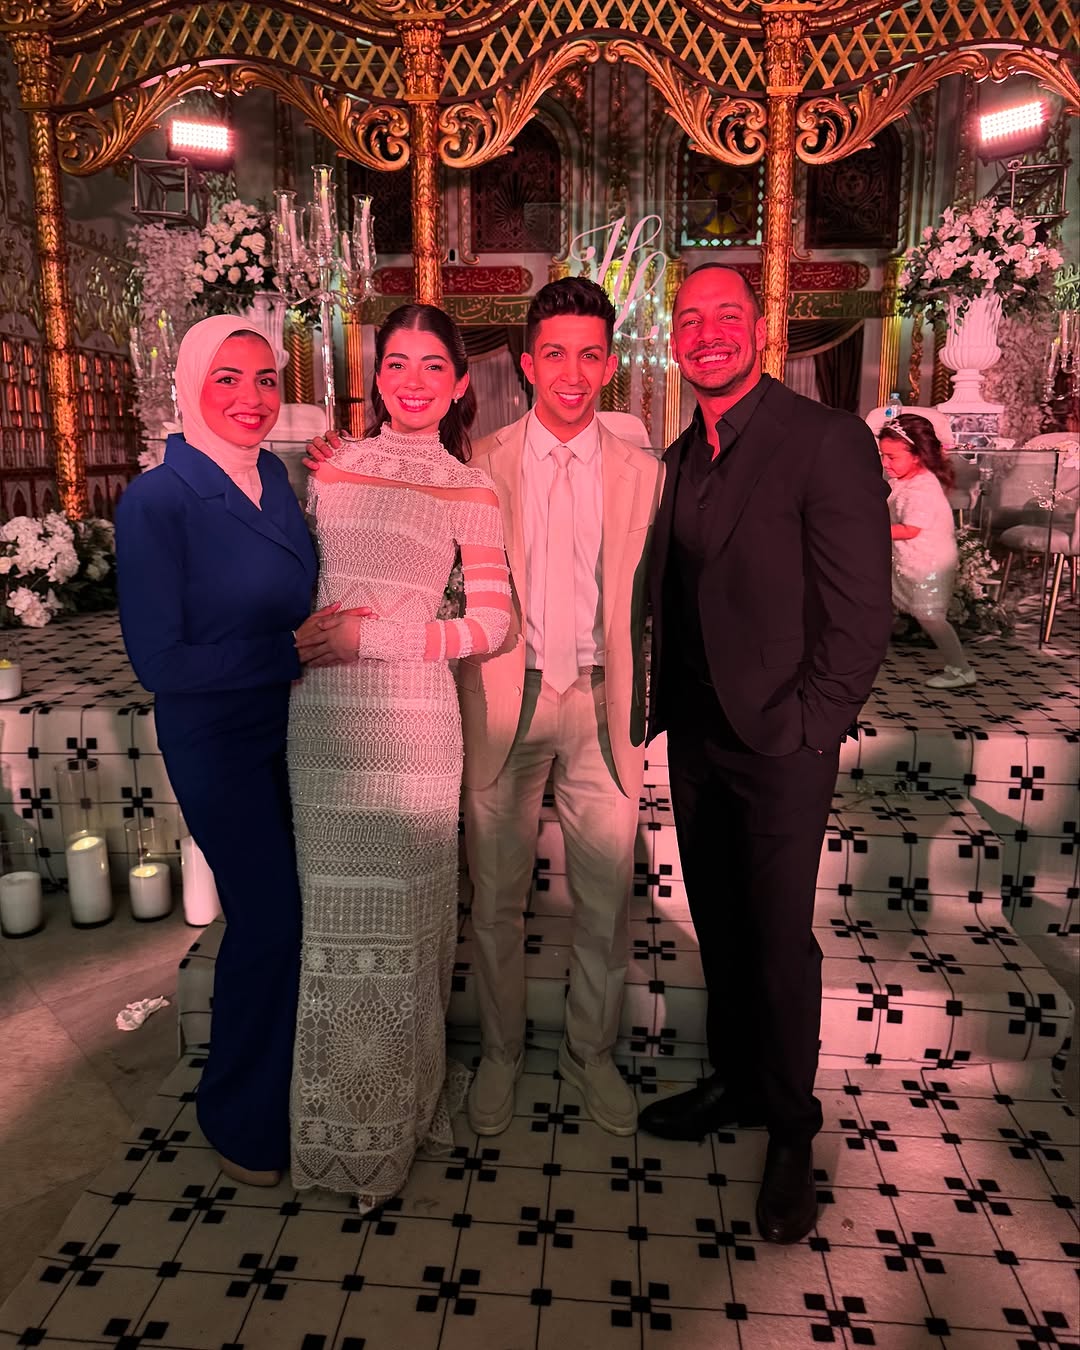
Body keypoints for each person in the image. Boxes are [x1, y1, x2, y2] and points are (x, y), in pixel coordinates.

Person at [639, 263, 893, 1245]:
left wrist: (813, 725)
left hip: (783, 739)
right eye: (689, 319)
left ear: (761, 328)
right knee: (721, 922)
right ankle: (738, 1082)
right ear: (674, 339)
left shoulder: (822, 439)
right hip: (698, 735)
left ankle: (792, 1126)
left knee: (780, 937)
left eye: (726, 315)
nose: (707, 333)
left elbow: (861, 612)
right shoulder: (678, 456)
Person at [288, 304, 511, 1206]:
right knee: (331, 930)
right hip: (322, 723)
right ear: (376, 376)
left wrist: (372, 638)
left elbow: (492, 624)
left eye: (432, 367)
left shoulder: (469, 487)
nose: (412, 382)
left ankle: (392, 1124)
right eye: (396, 364)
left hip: (415, 723)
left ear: (459, 385)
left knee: (406, 937)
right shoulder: (329, 464)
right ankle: (332, 1130)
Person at [116, 315, 318, 1188]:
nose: (250, 397)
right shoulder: (158, 500)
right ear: (189, 384)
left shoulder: (272, 476)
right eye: (227, 378)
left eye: (266, 378)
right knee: (269, 920)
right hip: (219, 738)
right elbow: (160, 663)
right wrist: (290, 652)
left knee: (293, 915)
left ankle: (289, 1087)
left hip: (295, 725)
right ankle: (238, 1115)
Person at [459, 277, 664, 1138]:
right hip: (505, 697)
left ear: (610, 365)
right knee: (495, 899)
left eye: (589, 355)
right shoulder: (482, 463)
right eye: (555, 355)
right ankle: (501, 1053)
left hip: (602, 704)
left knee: (605, 901)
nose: (572, 374)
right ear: (527, 364)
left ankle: (591, 1053)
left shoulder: (644, 472)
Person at [879, 413, 975, 689]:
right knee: (897, 605)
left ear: (917, 455)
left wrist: (867, 529)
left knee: (930, 615)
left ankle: (961, 669)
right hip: (912, 557)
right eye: (883, 455)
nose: (885, 463)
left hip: (929, 562)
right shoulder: (904, 479)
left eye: (891, 457)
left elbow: (910, 529)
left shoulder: (922, 487)